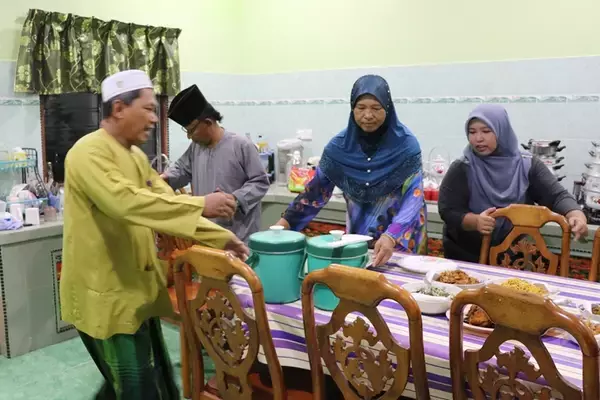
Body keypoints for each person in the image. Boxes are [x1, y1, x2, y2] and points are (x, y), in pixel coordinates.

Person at [60, 70, 249, 400]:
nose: (154, 118)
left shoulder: (135, 156)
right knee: (136, 386)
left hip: (137, 291)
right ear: (119, 108)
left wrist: (221, 238)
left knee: (152, 382)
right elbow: (126, 202)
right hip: (105, 295)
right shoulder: (87, 153)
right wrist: (202, 204)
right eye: (148, 109)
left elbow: (165, 201)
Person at [275, 75, 427, 266]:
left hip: (402, 241)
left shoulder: (406, 145)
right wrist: (282, 226)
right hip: (359, 238)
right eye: (361, 108)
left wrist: (391, 235)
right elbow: (313, 194)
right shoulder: (339, 147)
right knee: (359, 279)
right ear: (352, 108)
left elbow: (414, 198)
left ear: (388, 109)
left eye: (376, 108)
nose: (368, 115)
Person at [438, 104, 587, 263]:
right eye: (472, 132)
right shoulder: (463, 167)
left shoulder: (527, 165)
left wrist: (575, 215)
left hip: (514, 257)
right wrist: (475, 221)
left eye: (486, 131)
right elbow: (448, 210)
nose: (478, 138)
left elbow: (557, 196)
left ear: (502, 131)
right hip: (466, 256)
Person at [161, 85, 270, 243]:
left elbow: (260, 182)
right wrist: (163, 179)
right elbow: (181, 170)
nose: (189, 137)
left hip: (239, 238)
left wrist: (235, 199)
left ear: (207, 122)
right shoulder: (196, 148)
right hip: (207, 236)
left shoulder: (241, 145)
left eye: (191, 130)